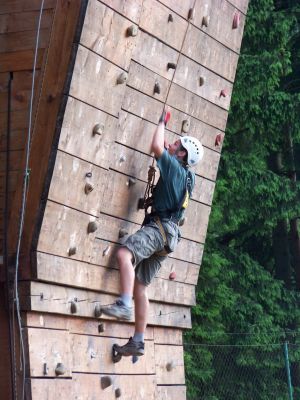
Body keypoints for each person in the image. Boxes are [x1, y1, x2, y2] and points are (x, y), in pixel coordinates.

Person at [101, 110, 204, 356]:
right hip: (170, 238)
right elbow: (167, 153)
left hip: (159, 229)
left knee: (125, 254)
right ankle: (138, 340)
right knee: (141, 287)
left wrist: (162, 122)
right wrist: (172, 151)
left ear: (182, 154)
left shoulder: (175, 169)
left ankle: (124, 305)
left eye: (177, 144)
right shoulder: (189, 176)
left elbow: (156, 145)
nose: (172, 142)